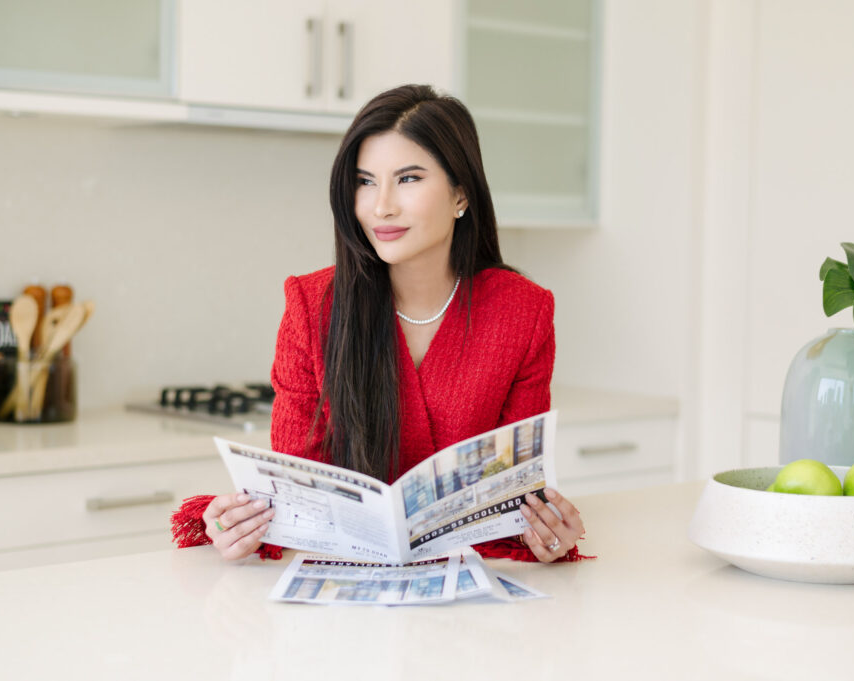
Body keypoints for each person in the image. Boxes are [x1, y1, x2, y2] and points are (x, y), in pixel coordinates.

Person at [173, 84, 586, 564]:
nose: (380, 206)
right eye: (365, 181)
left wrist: (547, 532)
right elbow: (295, 494)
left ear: (461, 193)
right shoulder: (312, 306)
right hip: (345, 608)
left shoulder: (523, 313)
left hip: (469, 606)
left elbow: (515, 499)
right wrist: (238, 524)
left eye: (407, 179)